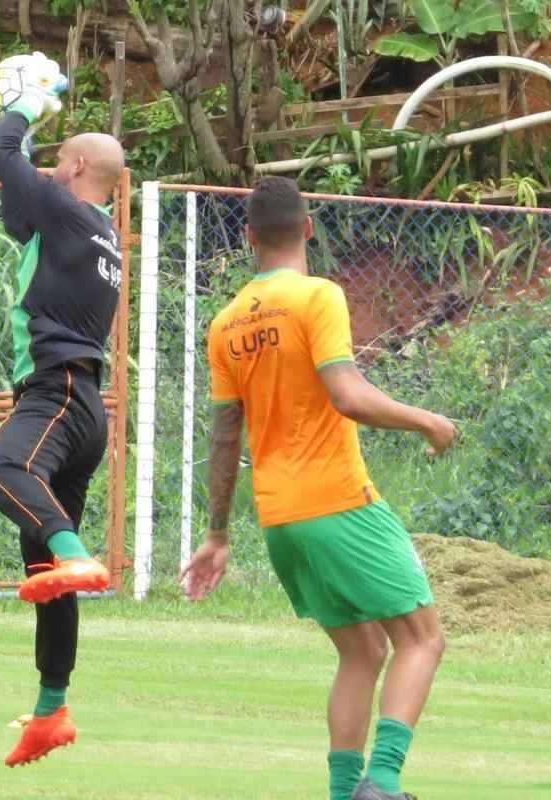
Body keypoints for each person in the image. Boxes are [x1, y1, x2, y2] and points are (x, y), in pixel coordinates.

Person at [181, 177, 457, 800]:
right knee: (422, 638)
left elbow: (226, 439)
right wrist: (428, 420)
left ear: (249, 238)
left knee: (361, 653)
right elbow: (348, 395)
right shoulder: (318, 297)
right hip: (339, 503)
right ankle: (382, 786)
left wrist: (217, 533)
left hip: (280, 521)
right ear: (308, 229)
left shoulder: (226, 324)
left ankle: (342, 795)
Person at [0, 53, 126, 768]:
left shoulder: (63, 209)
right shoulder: (92, 229)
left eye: (56, 160)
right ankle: (50, 710)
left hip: (56, 390)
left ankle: (77, 558)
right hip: (85, 403)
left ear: (70, 168)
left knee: (3, 468)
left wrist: (29, 102)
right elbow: (16, 202)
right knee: (40, 555)